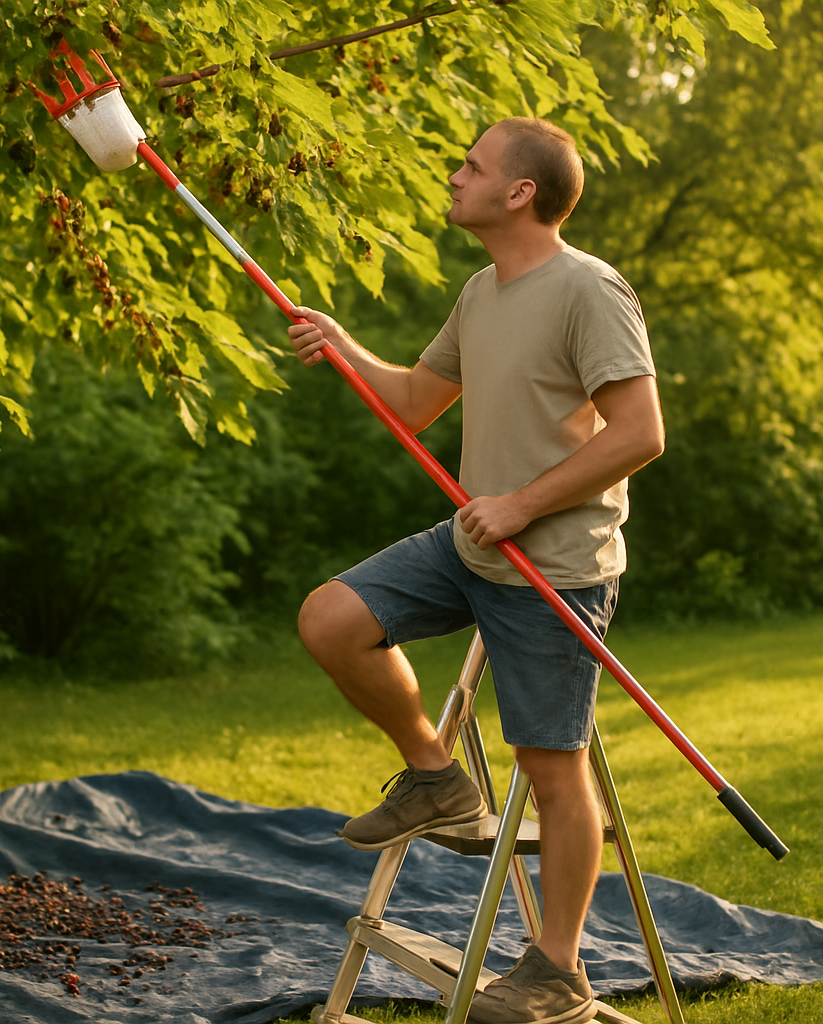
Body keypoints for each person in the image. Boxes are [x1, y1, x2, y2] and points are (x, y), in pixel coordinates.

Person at [287, 117, 664, 1024]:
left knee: (552, 770)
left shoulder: (588, 289)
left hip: (554, 568)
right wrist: (343, 347)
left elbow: (640, 434)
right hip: (473, 542)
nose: (455, 177)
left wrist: (524, 505)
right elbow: (417, 402)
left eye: (472, 165)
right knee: (331, 618)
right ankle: (436, 777)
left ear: (520, 192)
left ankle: (558, 970)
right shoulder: (482, 291)